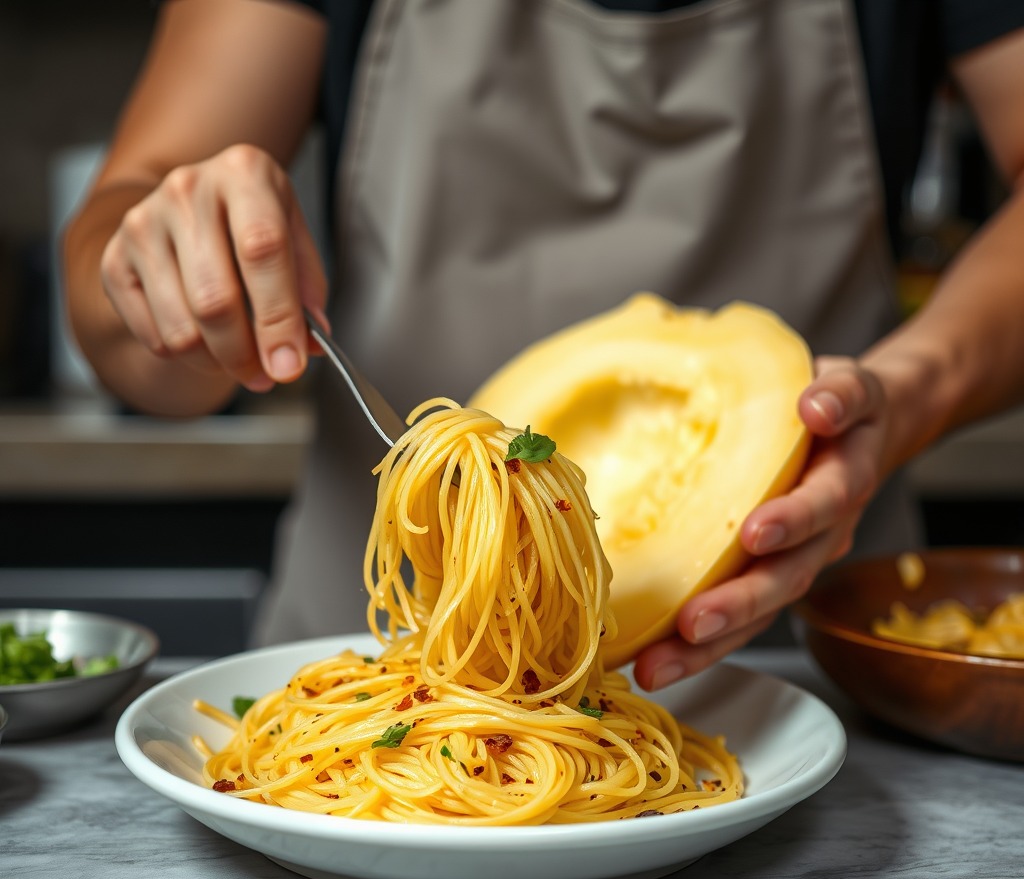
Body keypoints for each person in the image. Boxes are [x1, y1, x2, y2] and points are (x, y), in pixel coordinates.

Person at [64, 0, 1024, 691]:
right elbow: (116, 269)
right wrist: (166, 282)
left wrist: (909, 394)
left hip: (784, 663)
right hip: (367, 659)